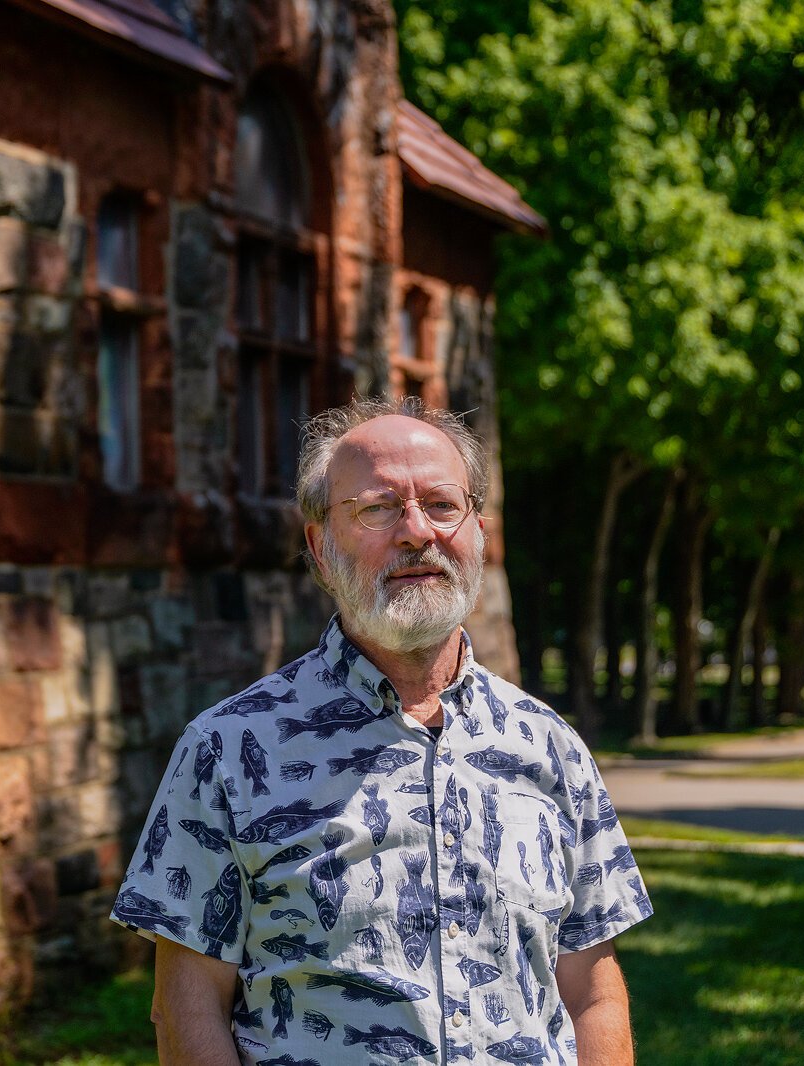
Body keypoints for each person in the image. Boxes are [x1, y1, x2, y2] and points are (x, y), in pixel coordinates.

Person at [111, 398, 653, 1065]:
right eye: (377, 508)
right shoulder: (226, 752)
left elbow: (592, 996)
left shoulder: (550, 747)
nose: (416, 531)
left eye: (442, 504)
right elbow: (186, 1009)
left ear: (477, 530)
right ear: (319, 544)